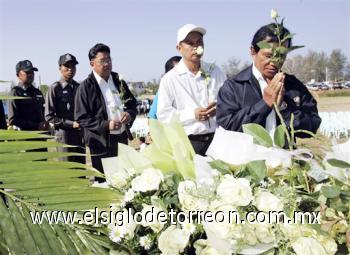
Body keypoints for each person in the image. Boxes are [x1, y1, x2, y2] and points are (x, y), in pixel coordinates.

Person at [216, 23, 321, 139]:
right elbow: (228, 128)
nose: (274, 62)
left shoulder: (293, 85)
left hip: (285, 155)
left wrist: (283, 108)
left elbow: (312, 125)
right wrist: (265, 104)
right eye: (268, 55)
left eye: (281, 56)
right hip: (251, 156)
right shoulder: (234, 86)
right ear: (253, 51)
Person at [157, 24, 226, 156]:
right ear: (179, 48)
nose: (196, 47)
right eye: (190, 43)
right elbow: (163, 115)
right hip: (189, 143)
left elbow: (228, 99)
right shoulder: (170, 79)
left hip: (218, 140)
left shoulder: (215, 71)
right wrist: (191, 115)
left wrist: (219, 108)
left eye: (199, 42)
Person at [75, 43, 137, 173]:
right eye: (102, 61)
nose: (107, 63)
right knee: (106, 182)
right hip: (100, 143)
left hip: (121, 138)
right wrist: (106, 125)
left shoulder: (117, 80)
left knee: (126, 177)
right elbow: (82, 118)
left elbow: (132, 103)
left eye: (109, 59)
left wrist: (129, 114)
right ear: (92, 64)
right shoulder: (85, 87)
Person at [45, 53, 85, 164]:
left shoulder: (79, 87)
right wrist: (71, 124)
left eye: (73, 66)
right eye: (67, 66)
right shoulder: (55, 88)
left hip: (79, 135)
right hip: (64, 136)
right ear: (60, 68)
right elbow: (49, 116)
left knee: (81, 171)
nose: (70, 69)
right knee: (69, 171)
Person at [8, 60, 49, 131]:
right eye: (27, 72)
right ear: (18, 75)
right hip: (25, 138)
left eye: (32, 72)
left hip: (40, 137)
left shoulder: (37, 92)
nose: (31, 74)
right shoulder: (15, 93)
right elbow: (12, 120)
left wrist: (45, 123)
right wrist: (36, 126)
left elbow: (43, 114)